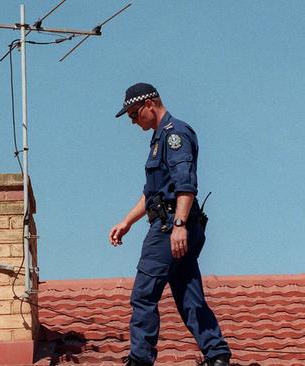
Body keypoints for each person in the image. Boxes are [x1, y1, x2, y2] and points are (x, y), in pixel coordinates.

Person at [109, 83, 232, 366]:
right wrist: (127, 221)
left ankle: (140, 359)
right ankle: (217, 354)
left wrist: (178, 225)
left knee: (143, 294)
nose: (133, 121)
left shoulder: (174, 135)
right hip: (172, 223)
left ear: (150, 105)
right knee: (188, 292)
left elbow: (185, 184)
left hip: (169, 227)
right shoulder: (158, 140)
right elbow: (152, 192)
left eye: (134, 114)